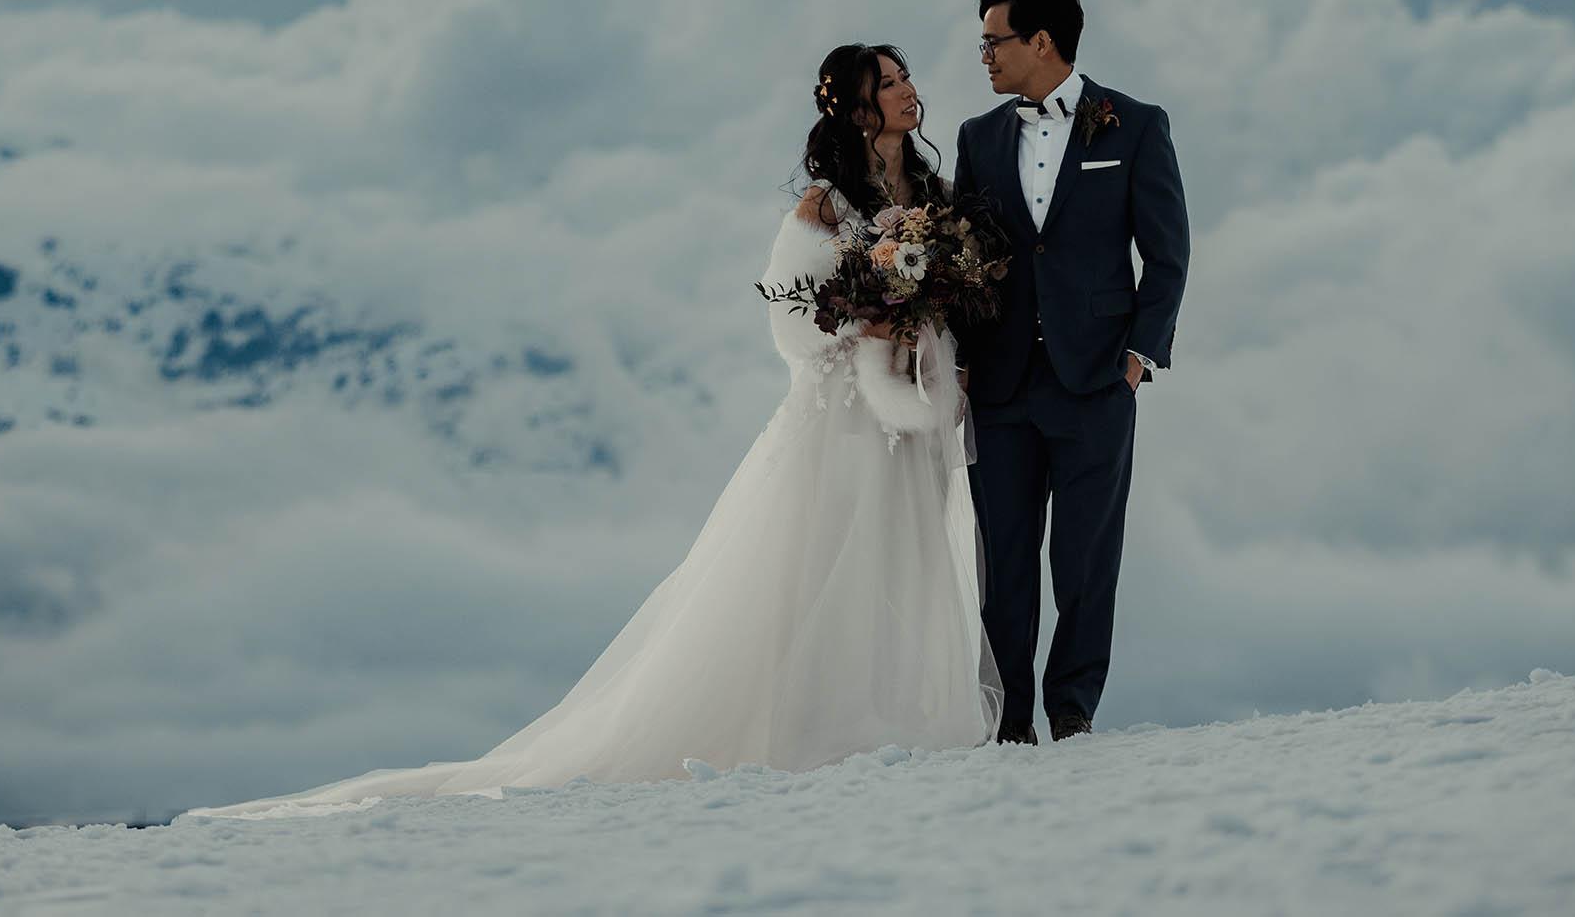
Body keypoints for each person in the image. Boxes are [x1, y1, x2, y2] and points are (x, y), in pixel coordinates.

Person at [184, 43, 1003, 820]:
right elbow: (788, 318)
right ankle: (823, 721)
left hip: (914, 406)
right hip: (843, 419)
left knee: (907, 550)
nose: (907, 89)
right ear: (860, 109)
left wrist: (934, 337)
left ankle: (896, 710)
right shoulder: (822, 207)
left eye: (903, 77)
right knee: (834, 559)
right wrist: (864, 326)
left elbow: (949, 295)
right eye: (889, 80)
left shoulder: (929, 195)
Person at [951, 0, 1189, 746]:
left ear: (1041, 42)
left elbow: (1168, 255)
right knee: (1005, 566)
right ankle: (1007, 718)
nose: (983, 53)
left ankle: (1072, 708)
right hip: (1001, 382)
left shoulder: (1137, 126)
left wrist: (1138, 357)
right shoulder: (977, 137)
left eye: (995, 40)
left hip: (1096, 380)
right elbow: (963, 257)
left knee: (1086, 560)